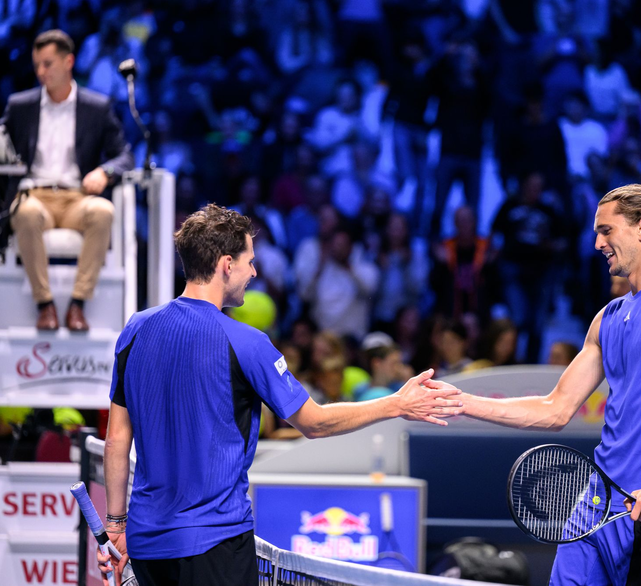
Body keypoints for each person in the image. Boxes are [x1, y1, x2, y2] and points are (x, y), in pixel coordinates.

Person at [99, 204, 462, 586]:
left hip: (146, 544)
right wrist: (396, 403)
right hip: (214, 545)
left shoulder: (136, 329)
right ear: (226, 265)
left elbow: (117, 439)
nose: (254, 272)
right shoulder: (247, 342)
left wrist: (116, 525)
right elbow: (315, 423)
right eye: (249, 261)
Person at [437, 184, 641, 585]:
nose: (597, 243)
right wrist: (460, 401)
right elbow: (554, 408)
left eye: (606, 231)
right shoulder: (605, 319)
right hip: (593, 510)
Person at [2, 29, 133, 331]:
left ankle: (78, 303)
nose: (40, 72)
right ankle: (44, 303)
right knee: (25, 213)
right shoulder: (20, 106)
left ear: (69, 61)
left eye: (47, 64)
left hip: (77, 197)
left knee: (103, 212)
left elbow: (124, 156)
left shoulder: (96, 107)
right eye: (37, 65)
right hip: (35, 195)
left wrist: (104, 172)